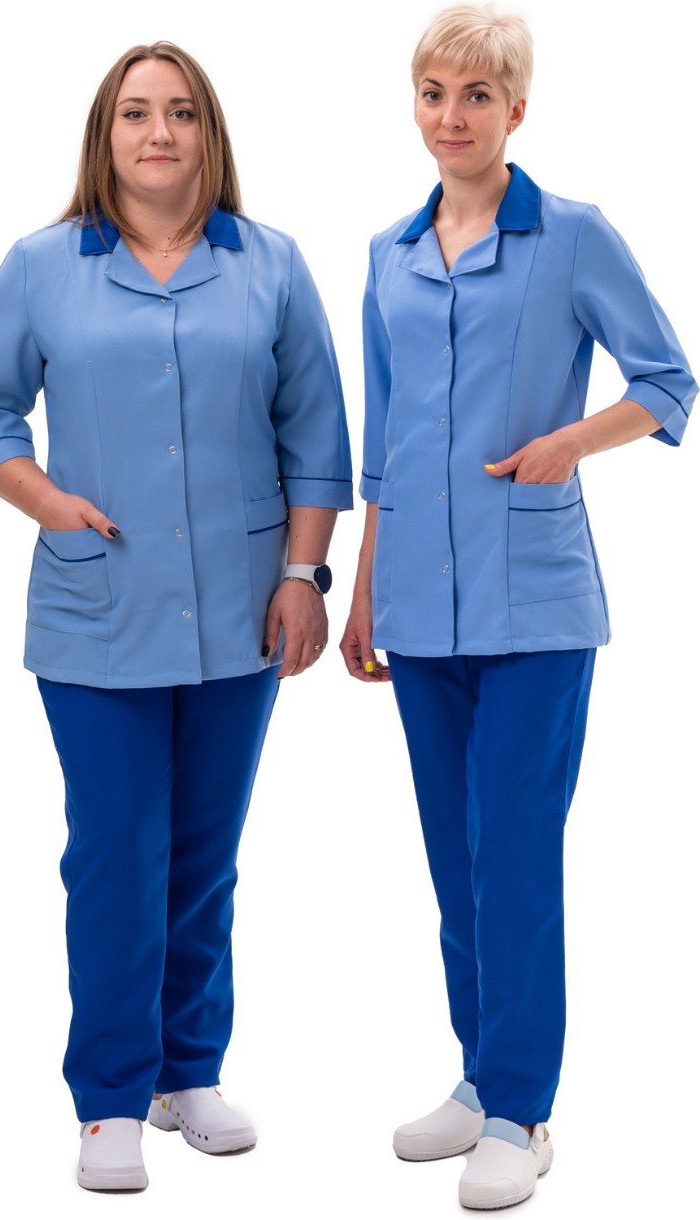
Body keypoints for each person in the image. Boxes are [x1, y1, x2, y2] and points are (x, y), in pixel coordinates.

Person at [0, 41, 352, 1192]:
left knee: (204, 853)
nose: (158, 131)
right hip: (98, 608)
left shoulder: (270, 264)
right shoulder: (42, 266)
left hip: (241, 608)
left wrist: (303, 575)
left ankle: (188, 1069)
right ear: (105, 133)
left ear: (208, 131)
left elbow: (316, 433)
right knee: (116, 852)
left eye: (179, 112)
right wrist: (49, 503)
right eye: (135, 112)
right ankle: (110, 1096)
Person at [340, 3, 695, 1210]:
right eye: (434, 93)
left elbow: (666, 378)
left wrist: (570, 442)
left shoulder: (572, 237)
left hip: (535, 606)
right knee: (455, 855)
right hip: (418, 606)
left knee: (514, 851)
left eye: (477, 95)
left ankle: (522, 1113)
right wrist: (364, 587)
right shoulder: (388, 254)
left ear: (516, 110)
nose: (452, 116)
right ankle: (479, 1072)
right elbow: (384, 442)